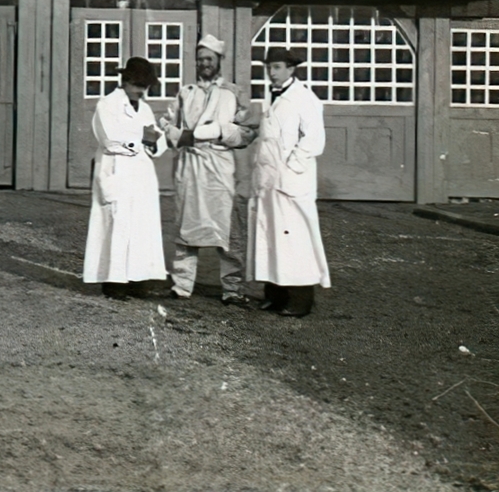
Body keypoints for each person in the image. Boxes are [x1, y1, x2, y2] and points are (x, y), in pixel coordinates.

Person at [162, 33, 257, 303]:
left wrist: (218, 132)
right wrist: (180, 136)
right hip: (190, 166)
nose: (205, 63)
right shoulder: (185, 93)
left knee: (227, 229)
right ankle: (181, 285)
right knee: (186, 228)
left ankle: (232, 288)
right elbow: (168, 124)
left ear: (219, 61)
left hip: (219, 167)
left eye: (209, 59)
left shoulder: (233, 93)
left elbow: (249, 130)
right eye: (201, 59)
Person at [249, 46, 331, 317]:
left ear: (291, 69)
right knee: (271, 236)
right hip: (269, 180)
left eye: (277, 67)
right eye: (269, 68)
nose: (271, 73)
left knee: (295, 241)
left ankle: (300, 300)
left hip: (291, 182)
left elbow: (313, 139)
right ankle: (275, 294)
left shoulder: (304, 98)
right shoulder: (270, 98)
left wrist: (291, 166)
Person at [82, 56, 169, 299]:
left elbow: (157, 140)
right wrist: (141, 141)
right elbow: (110, 140)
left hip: (140, 174)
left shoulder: (146, 108)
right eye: (138, 84)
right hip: (117, 170)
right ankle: (114, 282)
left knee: (141, 228)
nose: (141, 90)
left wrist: (153, 144)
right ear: (126, 80)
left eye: (145, 85)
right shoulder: (108, 105)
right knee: (117, 227)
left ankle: (137, 279)